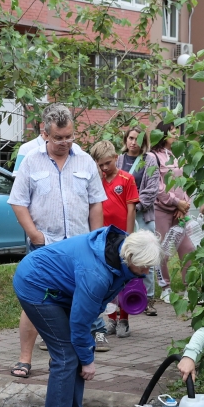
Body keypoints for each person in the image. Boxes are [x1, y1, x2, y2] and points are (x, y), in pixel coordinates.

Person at [13, 228, 161, 407]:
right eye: (144, 266)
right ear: (130, 258)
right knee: (66, 356)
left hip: (61, 287)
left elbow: (91, 310)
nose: (147, 271)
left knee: (75, 355)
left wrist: (85, 354)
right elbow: (80, 324)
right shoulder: (96, 273)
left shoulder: (121, 252)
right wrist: (88, 359)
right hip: (35, 284)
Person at [7, 104, 106, 377]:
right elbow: (18, 203)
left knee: (77, 302)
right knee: (35, 301)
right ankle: (24, 358)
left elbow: (96, 204)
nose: (64, 143)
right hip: (45, 247)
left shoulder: (85, 161)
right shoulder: (30, 160)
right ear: (45, 134)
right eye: (58, 138)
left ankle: (66, 358)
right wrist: (35, 236)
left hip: (79, 246)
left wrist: (95, 240)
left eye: (69, 136)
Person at [88, 140, 139, 338]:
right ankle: (111, 319)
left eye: (107, 163)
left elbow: (131, 208)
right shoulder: (96, 180)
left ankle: (124, 320)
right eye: (100, 164)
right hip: (102, 237)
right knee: (107, 281)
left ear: (116, 158)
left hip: (121, 237)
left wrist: (128, 236)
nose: (104, 168)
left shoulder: (127, 179)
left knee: (123, 279)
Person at [147, 122, 196, 303]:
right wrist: (176, 202)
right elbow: (158, 188)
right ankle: (165, 287)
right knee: (163, 251)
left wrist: (185, 205)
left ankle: (189, 287)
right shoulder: (154, 156)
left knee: (188, 248)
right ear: (163, 133)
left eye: (177, 131)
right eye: (172, 131)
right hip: (162, 210)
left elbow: (187, 181)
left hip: (180, 212)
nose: (176, 134)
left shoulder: (179, 154)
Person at [121, 127, 161, 316]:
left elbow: (152, 190)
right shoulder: (119, 159)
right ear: (125, 139)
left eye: (137, 139)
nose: (133, 142)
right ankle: (126, 298)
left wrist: (132, 206)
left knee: (147, 257)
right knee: (125, 256)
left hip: (141, 214)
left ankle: (149, 298)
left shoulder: (150, 159)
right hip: (122, 215)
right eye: (130, 138)